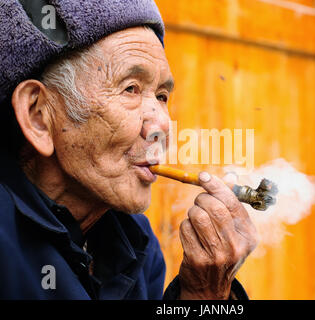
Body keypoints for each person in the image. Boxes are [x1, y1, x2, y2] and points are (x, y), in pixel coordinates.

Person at [0, 0, 259, 299]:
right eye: (131, 88)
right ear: (38, 115)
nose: (162, 124)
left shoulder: (135, 243)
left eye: (162, 96)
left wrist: (203, 294)